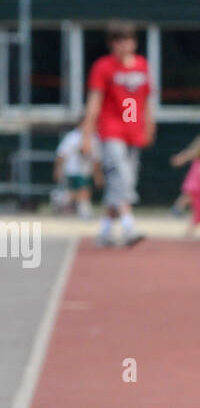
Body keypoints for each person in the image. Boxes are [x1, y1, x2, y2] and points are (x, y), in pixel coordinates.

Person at [81, 20, 154, 247]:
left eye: (130, 41)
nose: (126, 46)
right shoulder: (103, 67)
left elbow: (145, 100)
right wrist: (86, 134)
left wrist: (149, 126)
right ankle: (129, 225)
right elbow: (94, 102)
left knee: (122, 179)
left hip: (133, 130)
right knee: (120, 176)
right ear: (112, 44)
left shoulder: (142, 65)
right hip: (111, 129)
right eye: (121, 41)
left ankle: (104, 231)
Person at [54, 119, 102, 219]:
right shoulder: (72, 137)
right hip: (73, 170)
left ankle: (61, 198)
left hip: (86, 170)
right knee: (83, 190)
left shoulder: (95, 138)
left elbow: (96, 158)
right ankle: (84, 211)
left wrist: (97, 174)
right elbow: (61, 155)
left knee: (77, 191)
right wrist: (58, 169)